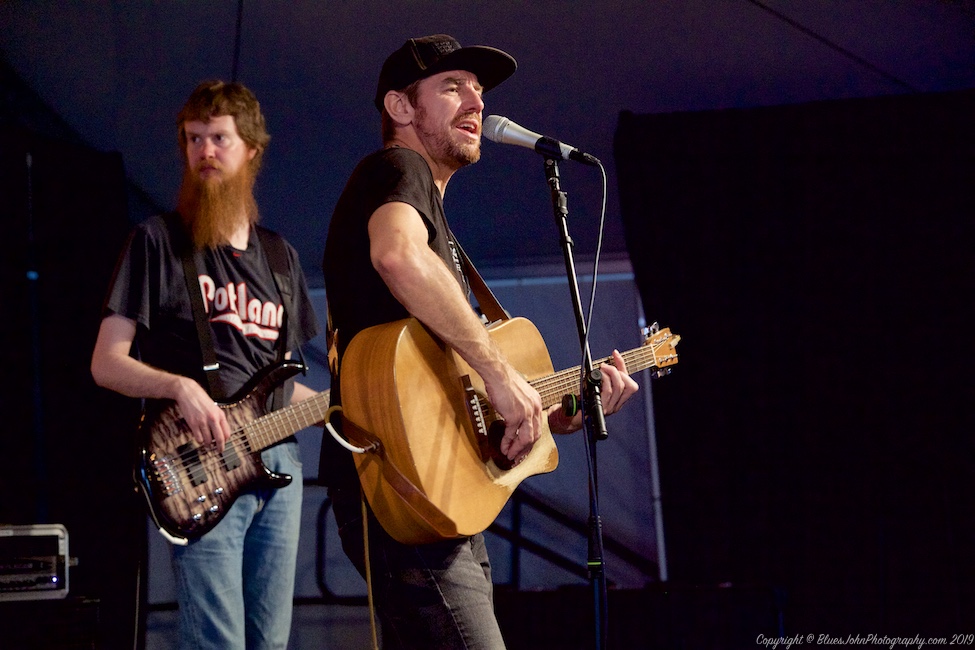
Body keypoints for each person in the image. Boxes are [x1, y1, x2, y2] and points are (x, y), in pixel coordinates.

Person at [320, 34, 640, 649]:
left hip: (444, 493)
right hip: (404, 488)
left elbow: (457, 397)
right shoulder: (397, 167)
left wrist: (556, 409)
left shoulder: (439, 224)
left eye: (479, 89)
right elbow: (395, 255)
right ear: (400, 107)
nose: (476, 102)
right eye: (452, 87)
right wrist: (499, 374)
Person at [91, 80, 320, 649]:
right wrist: (180, 387)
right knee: (218, 642)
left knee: (270, 642)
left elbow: (283, 383)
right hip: (197, 467)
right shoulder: (157, 242)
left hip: (277, 466)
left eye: (219, 138)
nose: (205, 152)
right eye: (194, 139)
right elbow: (106, 362)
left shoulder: (280, 256)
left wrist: (357, 409)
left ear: (252, 150)